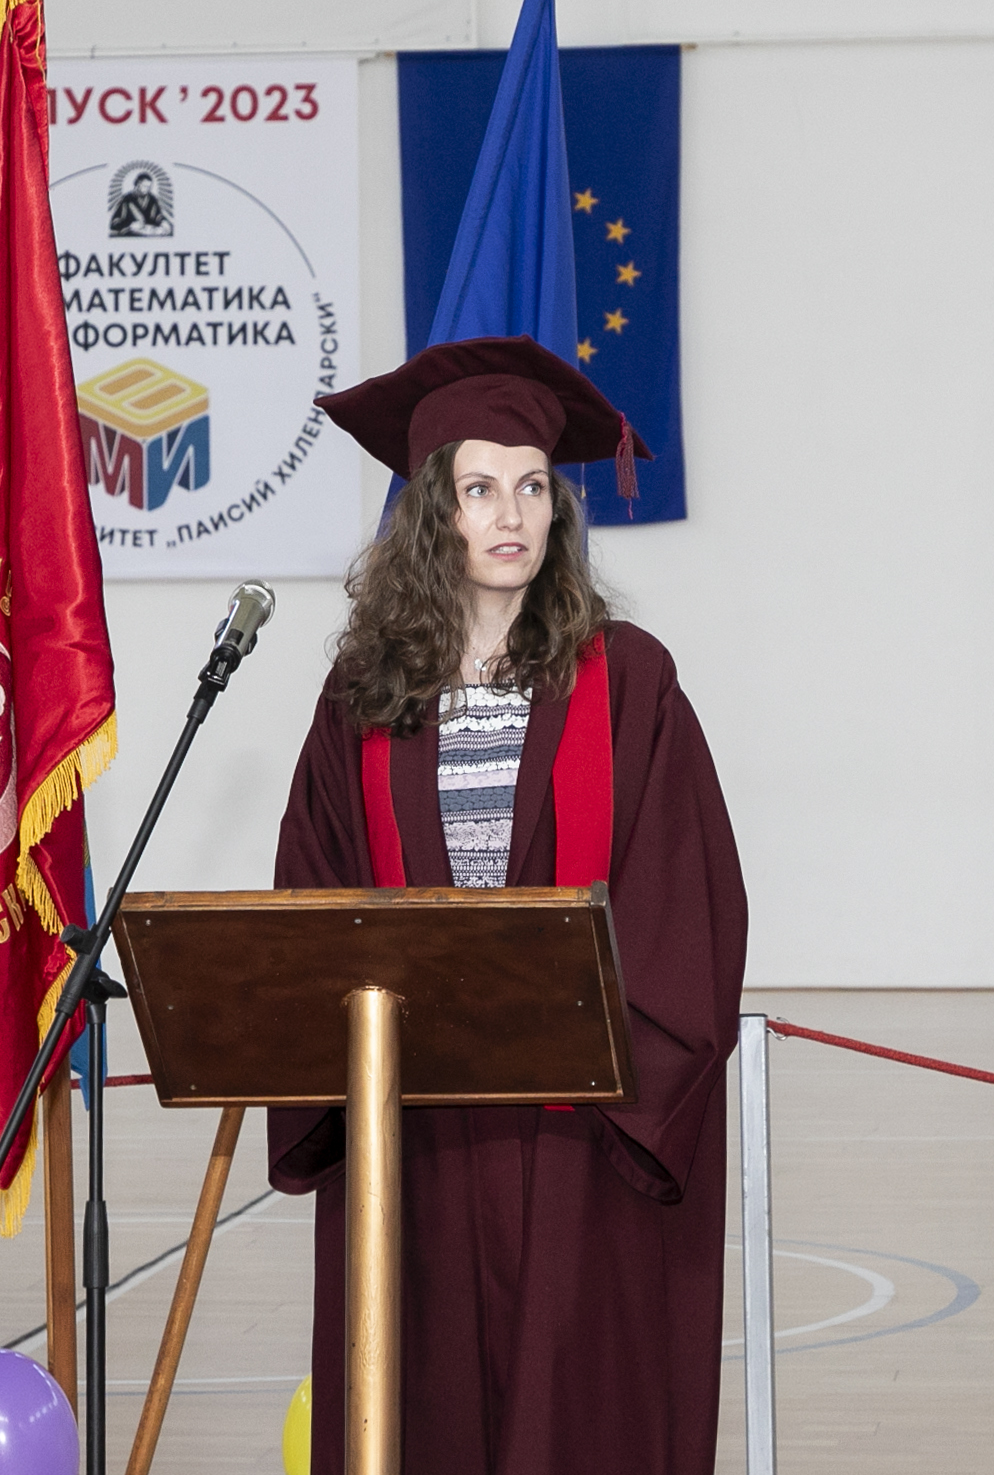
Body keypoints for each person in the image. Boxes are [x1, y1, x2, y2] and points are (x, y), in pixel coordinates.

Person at [268, 336, 750, 1475]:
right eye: (480, 489)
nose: (512, 515)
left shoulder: (627, 680)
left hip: (577, 1125)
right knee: (423, 1393)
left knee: (573, 1405)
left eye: (532, 488)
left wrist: (603, 1053)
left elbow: (688, 901)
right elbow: (315, 898)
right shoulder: (364, 696)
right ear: (431, 513)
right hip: (419, 1123)